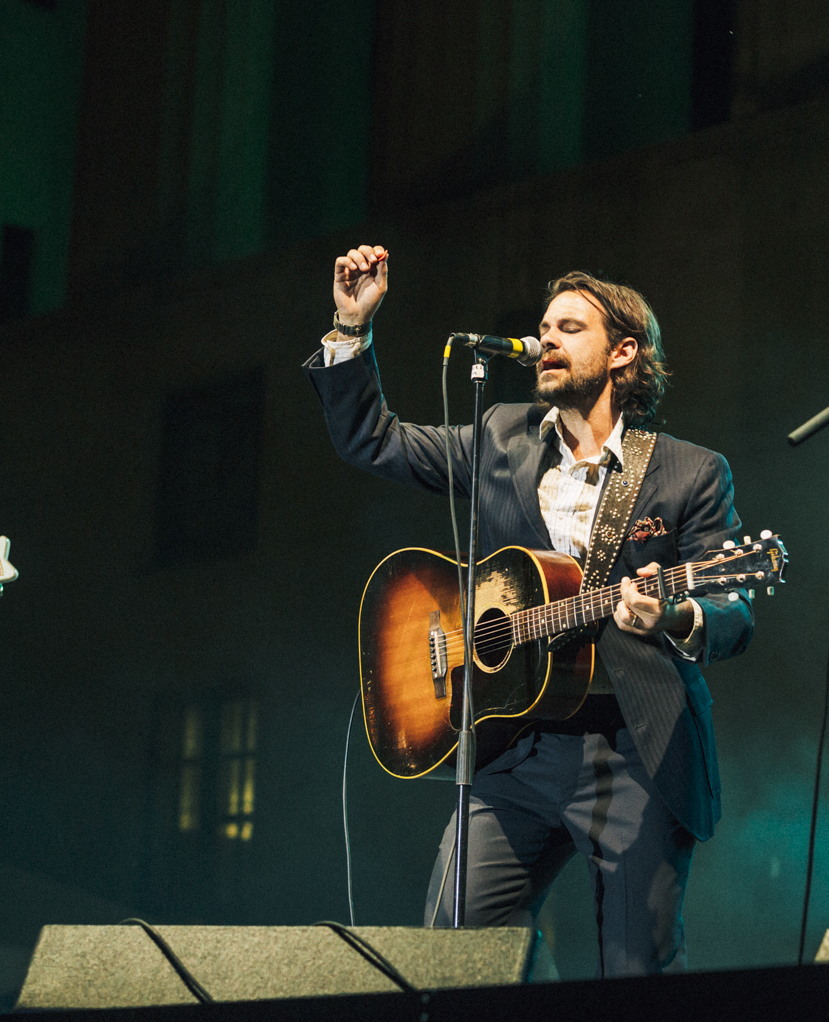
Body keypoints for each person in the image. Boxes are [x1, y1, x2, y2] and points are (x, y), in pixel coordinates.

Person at [306, 246, 753, 975]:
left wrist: (673, 616)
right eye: (544, 328)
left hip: (632, 748)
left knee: (637, 972)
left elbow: (732, 609)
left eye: (569, 328)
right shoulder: (500, 436)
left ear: (623, 353)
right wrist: (352, 328)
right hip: (513, 744)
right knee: (453, 958)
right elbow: (373, 441)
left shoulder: (689, 471)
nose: (546, 339)